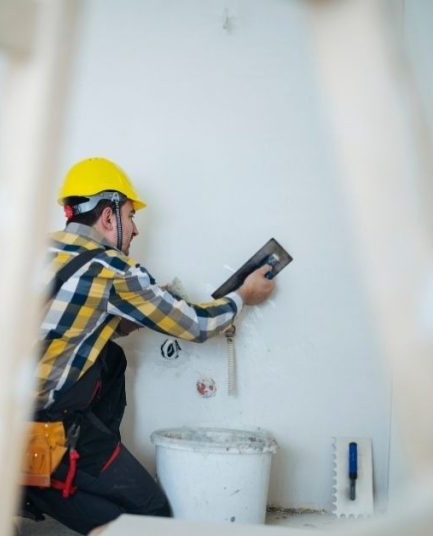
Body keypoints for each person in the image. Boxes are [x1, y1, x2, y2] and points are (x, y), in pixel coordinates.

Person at [22, 157, 276, 534]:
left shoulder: (34, 253)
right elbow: (197, 325)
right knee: (152, 515)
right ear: (108, 218)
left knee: (110, 356)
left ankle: (41, 480)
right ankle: (39, 485)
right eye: (130, 213)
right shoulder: (113, 269)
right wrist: (243, 296)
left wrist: (123, 320)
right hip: (46, 428)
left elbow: (58, 327)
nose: (136, 229)